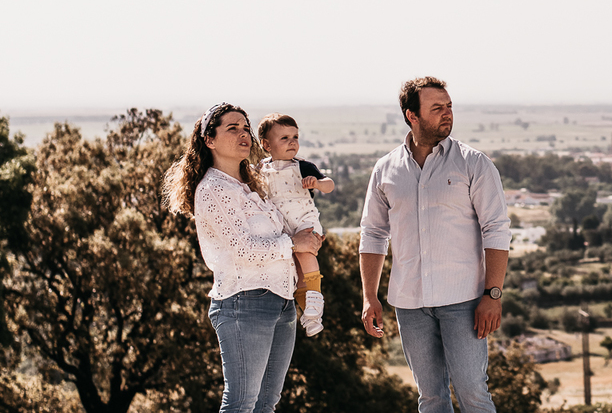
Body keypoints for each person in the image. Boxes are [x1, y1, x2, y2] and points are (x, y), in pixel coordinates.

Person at [360, 77, 511, 413]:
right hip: (409, 306)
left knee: (473, 395)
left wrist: (493, 294)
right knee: (430, 398)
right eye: (437, 108)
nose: (447, 114)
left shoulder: (474, 164)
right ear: (412, 115)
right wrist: (370, 296)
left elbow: (496, 230)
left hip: (465, 304)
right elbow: (372, 233)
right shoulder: (385, 170)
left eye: (449, 106)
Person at [162, 102, 323, 413]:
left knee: (266, 405)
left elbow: (288, 225)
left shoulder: (254, 183)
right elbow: (245, 250)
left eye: (246, 128)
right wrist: (293, 244)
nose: (243, 134)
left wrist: (309, 239)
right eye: (232, 128)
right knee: (241, 404)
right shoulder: (212, 190)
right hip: (243, 304)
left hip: (283, 302)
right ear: (209, 140)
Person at [258, 113, 336, 336]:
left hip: (304, 223)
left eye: (295, 137)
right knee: (297, 274)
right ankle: (310, 317)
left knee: (305, 256)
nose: (292, 142)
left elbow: (330, 184)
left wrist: (318, 183)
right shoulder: (260, 169)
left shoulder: (302, 166)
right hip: (282, 230)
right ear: (266, 145)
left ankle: (315, 302)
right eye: (284, 138)